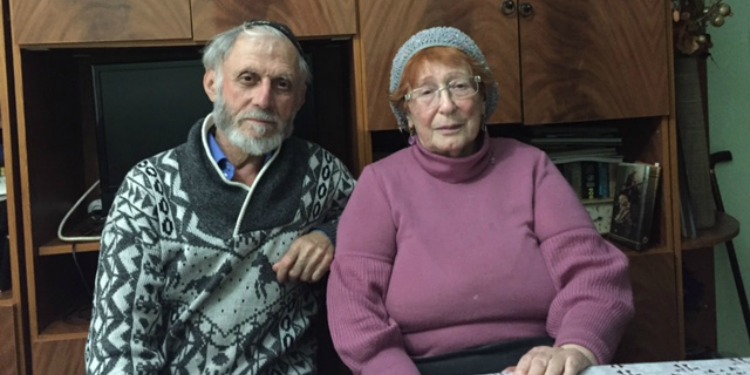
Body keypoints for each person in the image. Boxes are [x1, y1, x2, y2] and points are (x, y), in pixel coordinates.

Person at [326, 26, 634, 375]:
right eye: (426, 92)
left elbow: (595, 275)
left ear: (483, 98)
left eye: (460, 86)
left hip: (534, 364)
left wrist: (574, 348)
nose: (447, 106)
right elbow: (353, 307)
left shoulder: (530, 167)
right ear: (407, 114)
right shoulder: (379, 184)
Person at [85, 20, 355, 374]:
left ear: (300, 99)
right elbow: (116, 352)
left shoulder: (321, 172)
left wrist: (331, 235)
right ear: (212, 83)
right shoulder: (149, 189)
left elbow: (381, 220)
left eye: (282, 85)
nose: (264, 99)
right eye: (248, 78)